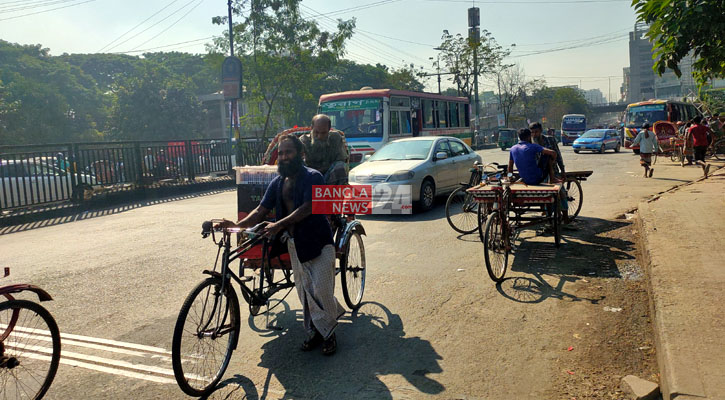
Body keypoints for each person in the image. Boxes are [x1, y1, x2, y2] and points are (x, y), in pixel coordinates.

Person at [218, 134, 344, 355]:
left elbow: (308, 207)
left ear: (300, 154)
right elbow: (260, 210)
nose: (284, 157)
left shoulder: (313, 177)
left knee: (322, 291)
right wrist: (237, 225)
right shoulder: (278, 182)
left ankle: (330, 334)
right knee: (305, 292)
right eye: (281, 153)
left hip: (319, 241)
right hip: (296, 244)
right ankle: (315, 332)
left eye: (289, 152)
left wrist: (279, 225)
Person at [300, 114, 349, 185]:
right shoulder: (304, 140)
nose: (319, 136)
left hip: (330, 176)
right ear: (311, 128)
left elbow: (341, 160)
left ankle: (336, 194)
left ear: (329, 130)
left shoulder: (335, 138)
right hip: (310, 176)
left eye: (323, 133)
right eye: (316, 132)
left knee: (340, 167)